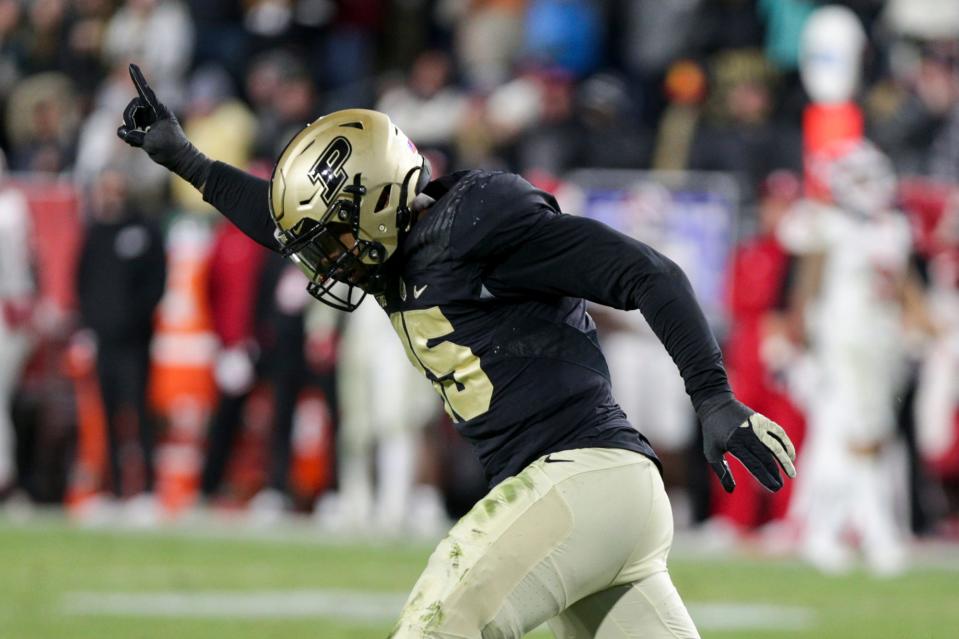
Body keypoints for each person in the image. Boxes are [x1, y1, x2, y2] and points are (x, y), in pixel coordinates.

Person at [117, 64, 796, 639]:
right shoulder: (389, 250)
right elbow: (278, 221)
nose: (327, 261)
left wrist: (711, 394)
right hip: (598, 497)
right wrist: (188, 160)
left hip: (583, 476)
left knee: (435, 623)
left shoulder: (479, 224)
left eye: (335, 240)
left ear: (379, 201)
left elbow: (649, 273)